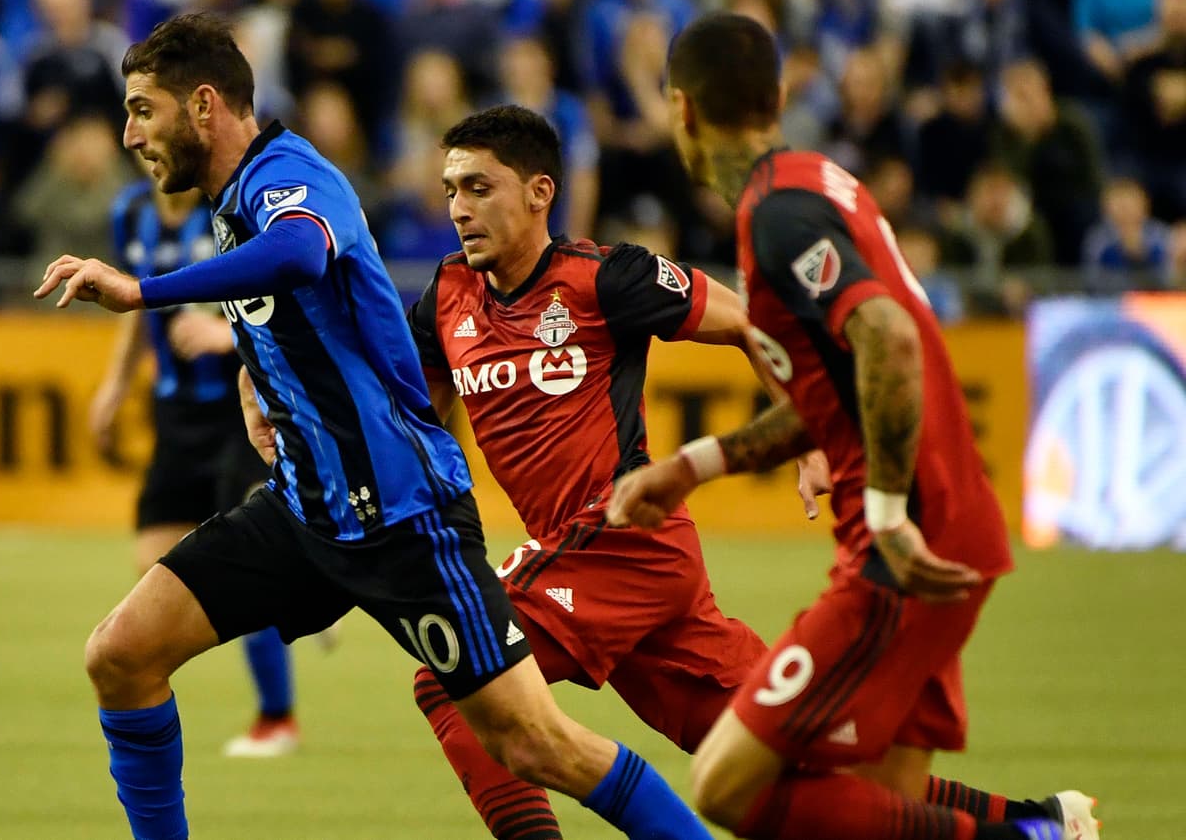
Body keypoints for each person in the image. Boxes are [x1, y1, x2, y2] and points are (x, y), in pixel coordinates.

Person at [241, 104, 1096, 840]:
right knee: (783, 755)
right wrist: (274, 390)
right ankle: (1037, 820)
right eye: (450, 190)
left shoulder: (604, 277)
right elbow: (402, 407)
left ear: (540, 192)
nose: (458, 208)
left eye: (479, 187)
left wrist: (808, 442)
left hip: (619, 544)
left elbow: (750, 323)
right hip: (629, 575)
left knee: (449, 678)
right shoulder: (447, 301)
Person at [32, 12, 715, 840]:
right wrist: (258, 371)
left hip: (403, 517)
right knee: (121, 654)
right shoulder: (228, 198)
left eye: (143, 109)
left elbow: (300, 253)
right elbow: (312, 311)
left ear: (203, 104)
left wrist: (144, 290)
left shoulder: (286, 173)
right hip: (307, 509)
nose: (130, 132)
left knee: (538, 744)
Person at [605, 13, 1101, 840]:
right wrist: (691, 466)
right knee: (879, 800)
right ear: (780, 95)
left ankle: (1026, 837)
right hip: (954, 526)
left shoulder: (778, 217)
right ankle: (1046, 825)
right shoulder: (818, 181)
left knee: (724, 784)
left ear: (682, 111)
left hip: (902, 549)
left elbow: (889, 339)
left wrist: (886, 514)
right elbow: (831, 390)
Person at [89, 175, 301, 758]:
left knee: (243, 560)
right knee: (151, 561)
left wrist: (221, 331)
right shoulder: (130, 211)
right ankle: (302, 590)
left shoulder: (231, 212)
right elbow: (137, 301)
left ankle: (277, 719)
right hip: (174, 415)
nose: (147, 146)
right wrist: (114, 384)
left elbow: (284, 301)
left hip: (238, 410)